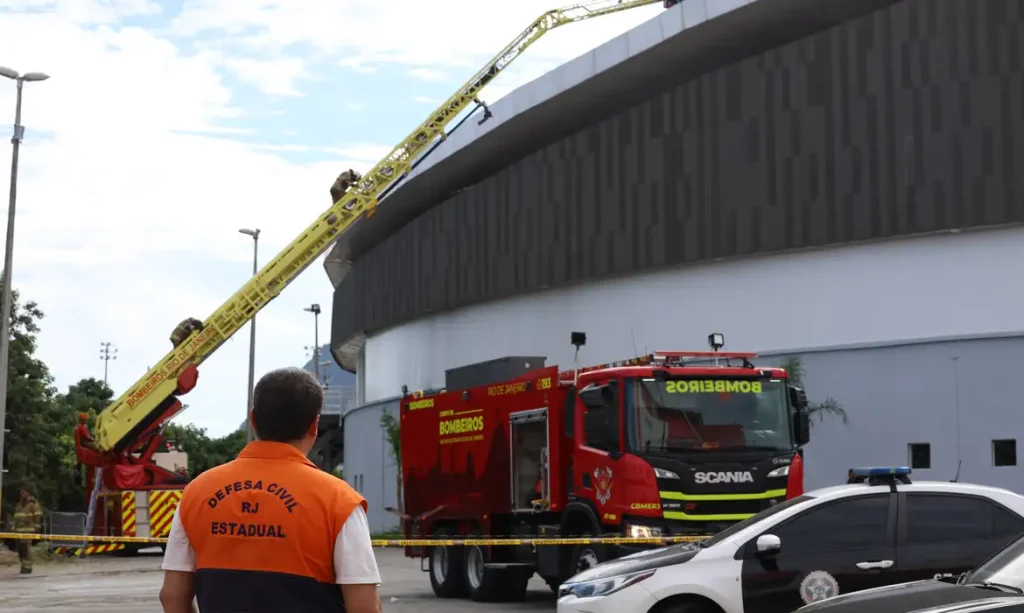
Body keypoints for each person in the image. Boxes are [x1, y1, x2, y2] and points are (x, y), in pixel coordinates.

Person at [158, 367, 382, 613]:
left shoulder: (196, 492)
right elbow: (364, 606)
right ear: (314, 425)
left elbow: (172, 596)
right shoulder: (339, 501)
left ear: (253, 420)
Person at [13, 487, 43, 574]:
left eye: (24, 493)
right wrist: (13, 528)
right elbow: (16, 517)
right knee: (20, 550)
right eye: (21, 493)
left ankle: (28, 567)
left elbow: (38, 515)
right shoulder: (19, 505)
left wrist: (36, 528)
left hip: (28, 531)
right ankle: (23, 566)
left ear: (28, 493)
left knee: (26, 550)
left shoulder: (32, 504)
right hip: (18, 532)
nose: (22, 494)